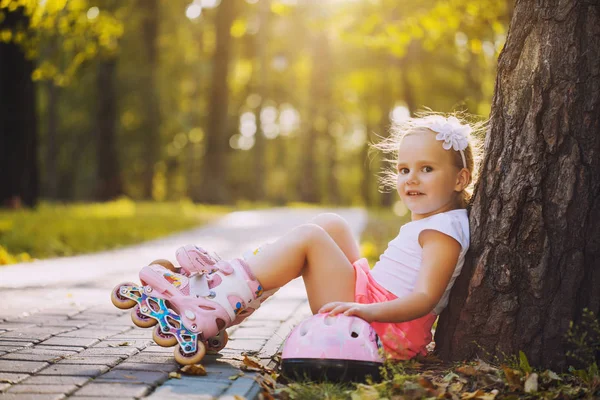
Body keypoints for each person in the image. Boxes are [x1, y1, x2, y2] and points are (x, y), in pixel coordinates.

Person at [148, 113, 481, 360]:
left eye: (427, 169)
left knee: (310, 237)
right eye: (404, 169)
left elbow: (424, 298)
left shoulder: (442, 233)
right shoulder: (440, 221)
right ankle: (235, 295)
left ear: (459, 179)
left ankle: (217, 300)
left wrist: (363, 311)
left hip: (383, 326)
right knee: (331, 224)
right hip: (377, 304)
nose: (412, 179)